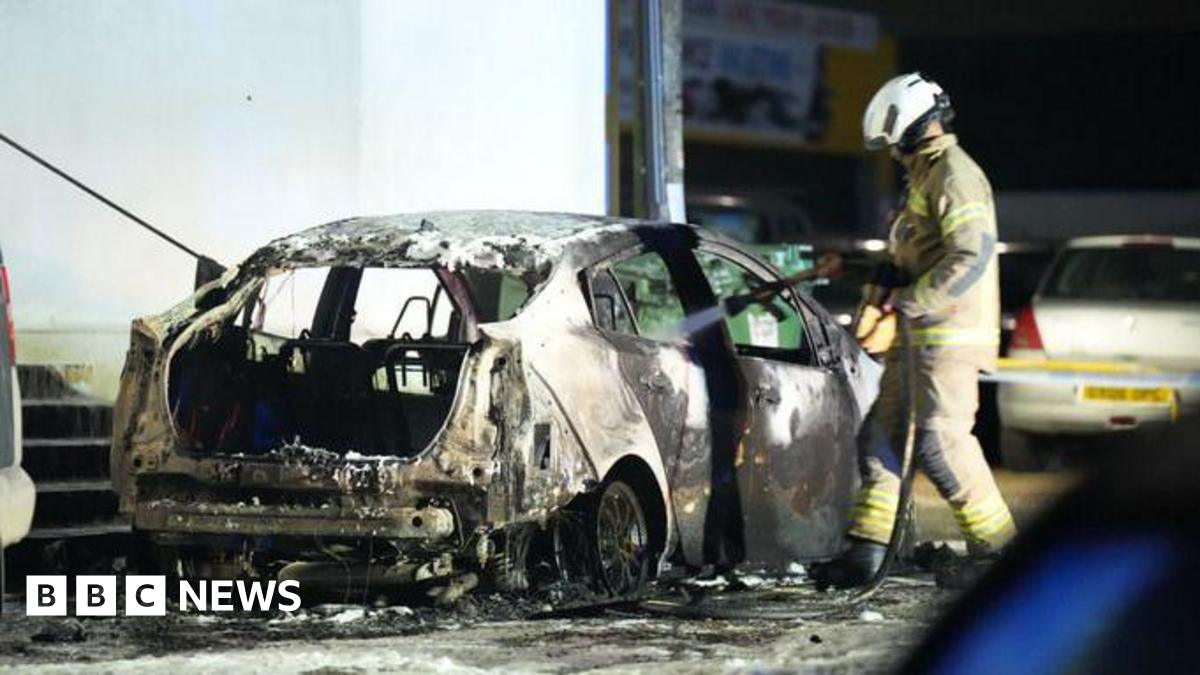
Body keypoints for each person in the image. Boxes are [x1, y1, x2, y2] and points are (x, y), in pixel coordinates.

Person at [813, 73, 1016, 588]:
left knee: (940, 444)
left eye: (893, 143)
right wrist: (867, 274)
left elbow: (972, 254)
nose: (892, 154)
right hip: (916, 338)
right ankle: (866, 553)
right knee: (880, 437)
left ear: (909, 127)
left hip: (948, 338)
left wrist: (912, 299)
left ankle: (998, 555)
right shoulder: (924, 178)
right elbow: (915, 259)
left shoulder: (954, 174)